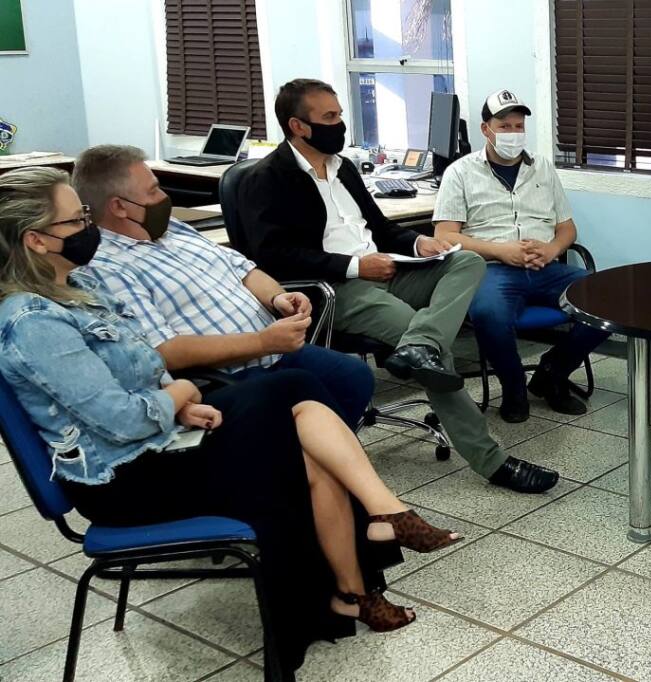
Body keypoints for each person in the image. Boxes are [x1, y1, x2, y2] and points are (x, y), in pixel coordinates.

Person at [0, 167, 464, 679]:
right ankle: (377, 534)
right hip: (125, 478)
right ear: (37, 240)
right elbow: (121, 418)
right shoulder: (33, 323)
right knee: (293, 399)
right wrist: (181, 393)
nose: (88, 227)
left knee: (307, 440)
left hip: (162, 437)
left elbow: (141, 366)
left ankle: (355, 584)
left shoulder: (79, 286)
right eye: (76, 220)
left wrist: (175, 402)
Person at [238, 78, 559, 493]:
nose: (340, 124)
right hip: (335, 289)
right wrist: (356, 266)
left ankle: (420, 345)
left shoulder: (342, 168)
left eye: (340, 114)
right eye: (330, 117)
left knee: (466, 261)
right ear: (298, 126)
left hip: (387, 269)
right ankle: (492, 461)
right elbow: (272, 256)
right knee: (433, 350)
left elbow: (382, 228)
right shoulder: (267, 178)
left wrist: (419, 243)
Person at [69, 144, 373, 431]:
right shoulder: (106, 266)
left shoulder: (171, 228)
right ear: (119, 207)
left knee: (353, 377)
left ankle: (310, 457)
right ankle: (302, 457)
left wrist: (277, 297)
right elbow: (164, 351)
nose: (163, 196)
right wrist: (263, 342)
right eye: (153, 190)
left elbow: (243, 269)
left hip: (273, 351)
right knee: (307, 399)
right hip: (224, 375)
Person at [433, 89, 610, 423]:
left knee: (607, 299)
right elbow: (444, 236)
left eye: (518, 126)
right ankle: (513, 387)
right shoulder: (460, 172)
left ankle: (552, 372)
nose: (513, 133)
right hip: (491, 269)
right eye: (504, 126)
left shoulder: (542, 168)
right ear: (486, 129)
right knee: (489, 314)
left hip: (545, 267)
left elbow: (567, 228)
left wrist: (552, 249)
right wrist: (502, 251)